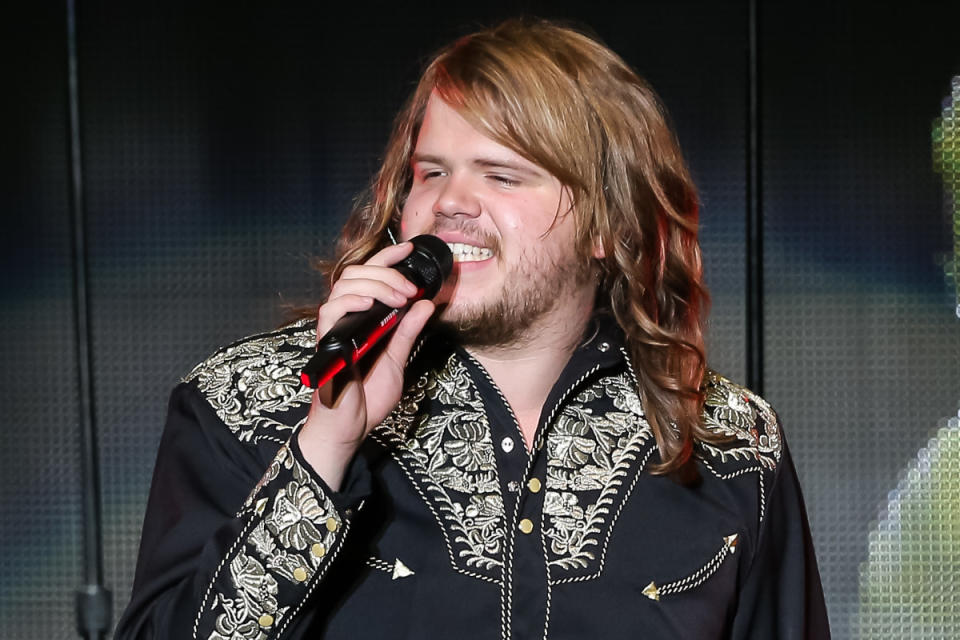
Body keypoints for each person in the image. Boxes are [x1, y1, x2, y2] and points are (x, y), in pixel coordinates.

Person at [116, 18, 830, 639]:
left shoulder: (731, 442)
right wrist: (322, 452)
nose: (451, 202)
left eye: (502, 176)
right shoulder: (247, 403)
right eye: (430, 173)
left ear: (607, 226)